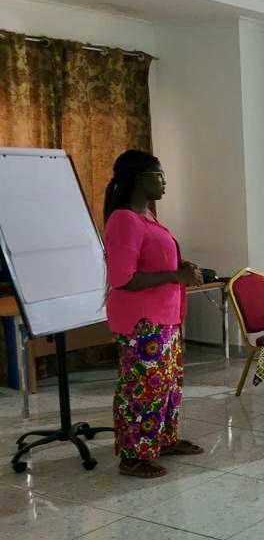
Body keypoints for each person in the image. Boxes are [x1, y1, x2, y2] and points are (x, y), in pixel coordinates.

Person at [103, 150, 204, 478]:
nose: (164, 182)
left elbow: (153, 262)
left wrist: (180, 267)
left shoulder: (147, 216)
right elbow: (123, 278)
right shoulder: (124, 220)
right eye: (158, 175)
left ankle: (162, 440)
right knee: (142, 388)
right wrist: (175, 275)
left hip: (164, 318)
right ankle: (133, 456)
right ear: (138, 178)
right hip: (142, 323)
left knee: (167, 385)